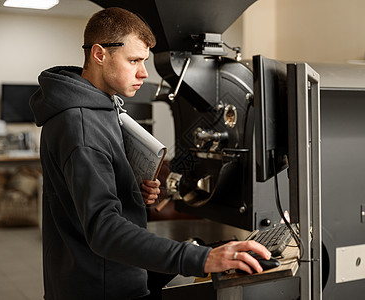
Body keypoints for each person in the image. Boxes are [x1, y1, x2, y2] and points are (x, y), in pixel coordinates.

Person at [30, 7, 271, 300]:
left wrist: (130, 190)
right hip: (101, 287)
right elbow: (104, 229)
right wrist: (200, 258)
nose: (144, 73)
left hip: (97, 276)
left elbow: (85, 197)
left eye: (144, 61)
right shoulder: (81, 125)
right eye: (134, 61)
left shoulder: (99, 108)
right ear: (99, 54)